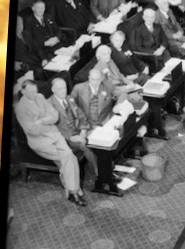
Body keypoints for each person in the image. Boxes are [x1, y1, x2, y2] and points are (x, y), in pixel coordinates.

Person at [13, 74, 86, 206]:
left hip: (55, 135)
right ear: (23, 91)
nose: (34, 94)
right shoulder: (20, 108)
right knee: (68, 157)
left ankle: (70, 191)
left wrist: (40, 121)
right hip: (40, 142)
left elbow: (55, 116)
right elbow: (32, 130)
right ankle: (74, 192)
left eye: (35, 90)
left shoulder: (40, 97)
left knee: (67, 158)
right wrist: (47, 121)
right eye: (30, 91)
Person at [48, 76, 121, 197]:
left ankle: (108, 171)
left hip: (79, 132)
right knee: (86, 145)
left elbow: (81, 116)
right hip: (66, 138)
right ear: (53, 90)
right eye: (59, 89)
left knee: (100, 137)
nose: (63, 91)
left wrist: (83, 130)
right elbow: (51, 128)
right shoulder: (49, 104)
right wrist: (70, 137)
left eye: (64, 88)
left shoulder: (69, 98)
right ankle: (101, 175)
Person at [130, 7, 172, 72]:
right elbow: (139, 48)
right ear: (143, 17)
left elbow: (165, 40)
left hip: (162, 52)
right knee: (164, 70)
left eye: (152, 17)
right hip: (151, 56)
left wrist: (161, 49)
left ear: (154, 18)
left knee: (172, 66)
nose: (149, 19)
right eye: (147, 17)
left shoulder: (158, 26)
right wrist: (153, 52)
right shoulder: (139, 30)